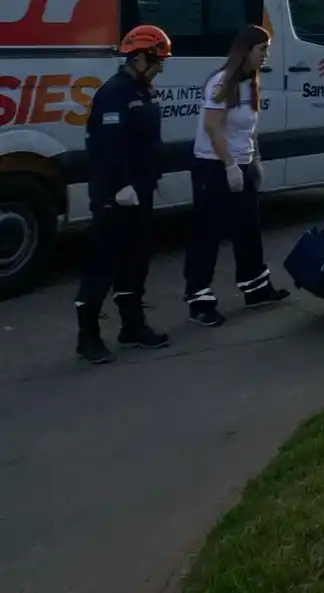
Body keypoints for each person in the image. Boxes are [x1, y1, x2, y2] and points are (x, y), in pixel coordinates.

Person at [74, 25, 173, 364]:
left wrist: (151, 178)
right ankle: (87, 337)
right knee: (103, 266)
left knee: (136, 262)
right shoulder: (114, 94)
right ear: (140, 57)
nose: (162, 67)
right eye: (158, 60)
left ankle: (132, 326)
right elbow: (106, 150)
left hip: (140, 194)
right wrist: (118, 187)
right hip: (114, 196)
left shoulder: (146, 91)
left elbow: (148, 143)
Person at [183, 24, 289, 326]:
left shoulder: (250, 82)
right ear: (246, 51)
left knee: (249, 230)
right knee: (207, 233)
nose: (265, 56)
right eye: (262, 50)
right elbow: (212, 127)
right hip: (212, 167)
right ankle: (199, 299)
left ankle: (256, 287)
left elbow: (248, 129)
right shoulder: (221, 82)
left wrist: (253, 163)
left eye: (266, 50)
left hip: (242, 165)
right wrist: (229, 165)